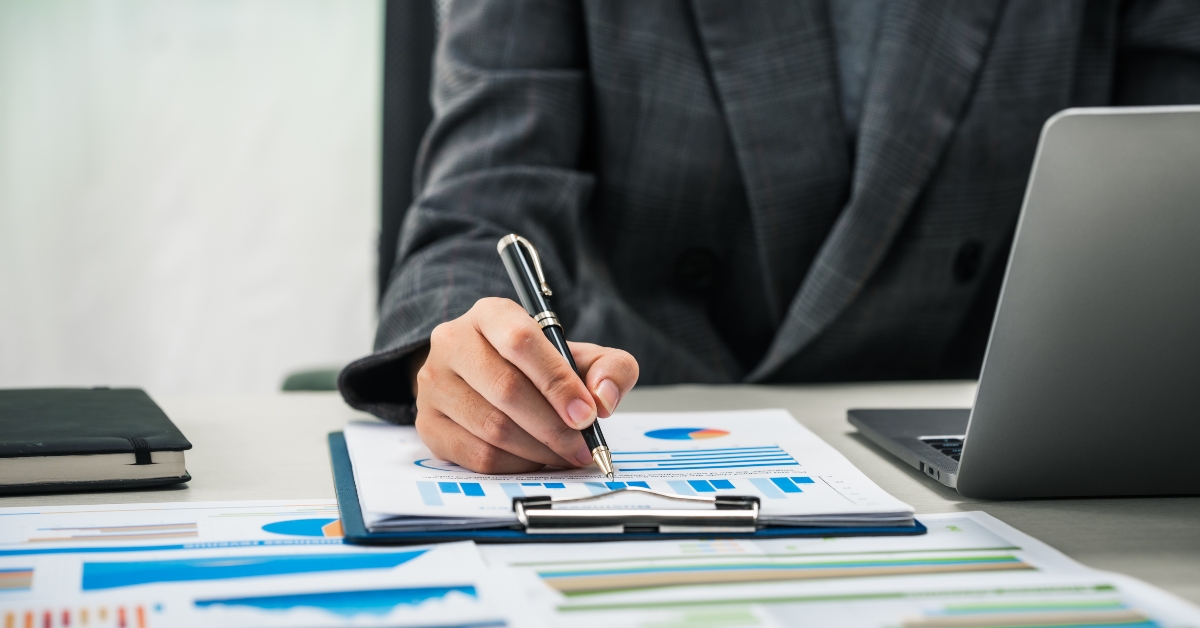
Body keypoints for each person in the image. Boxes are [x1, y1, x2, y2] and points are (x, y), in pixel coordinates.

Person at [338, 1, 1200, 473]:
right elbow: (481, 205)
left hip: (989, 459)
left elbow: (1170, 178)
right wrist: (459, 356)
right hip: (634, 429)